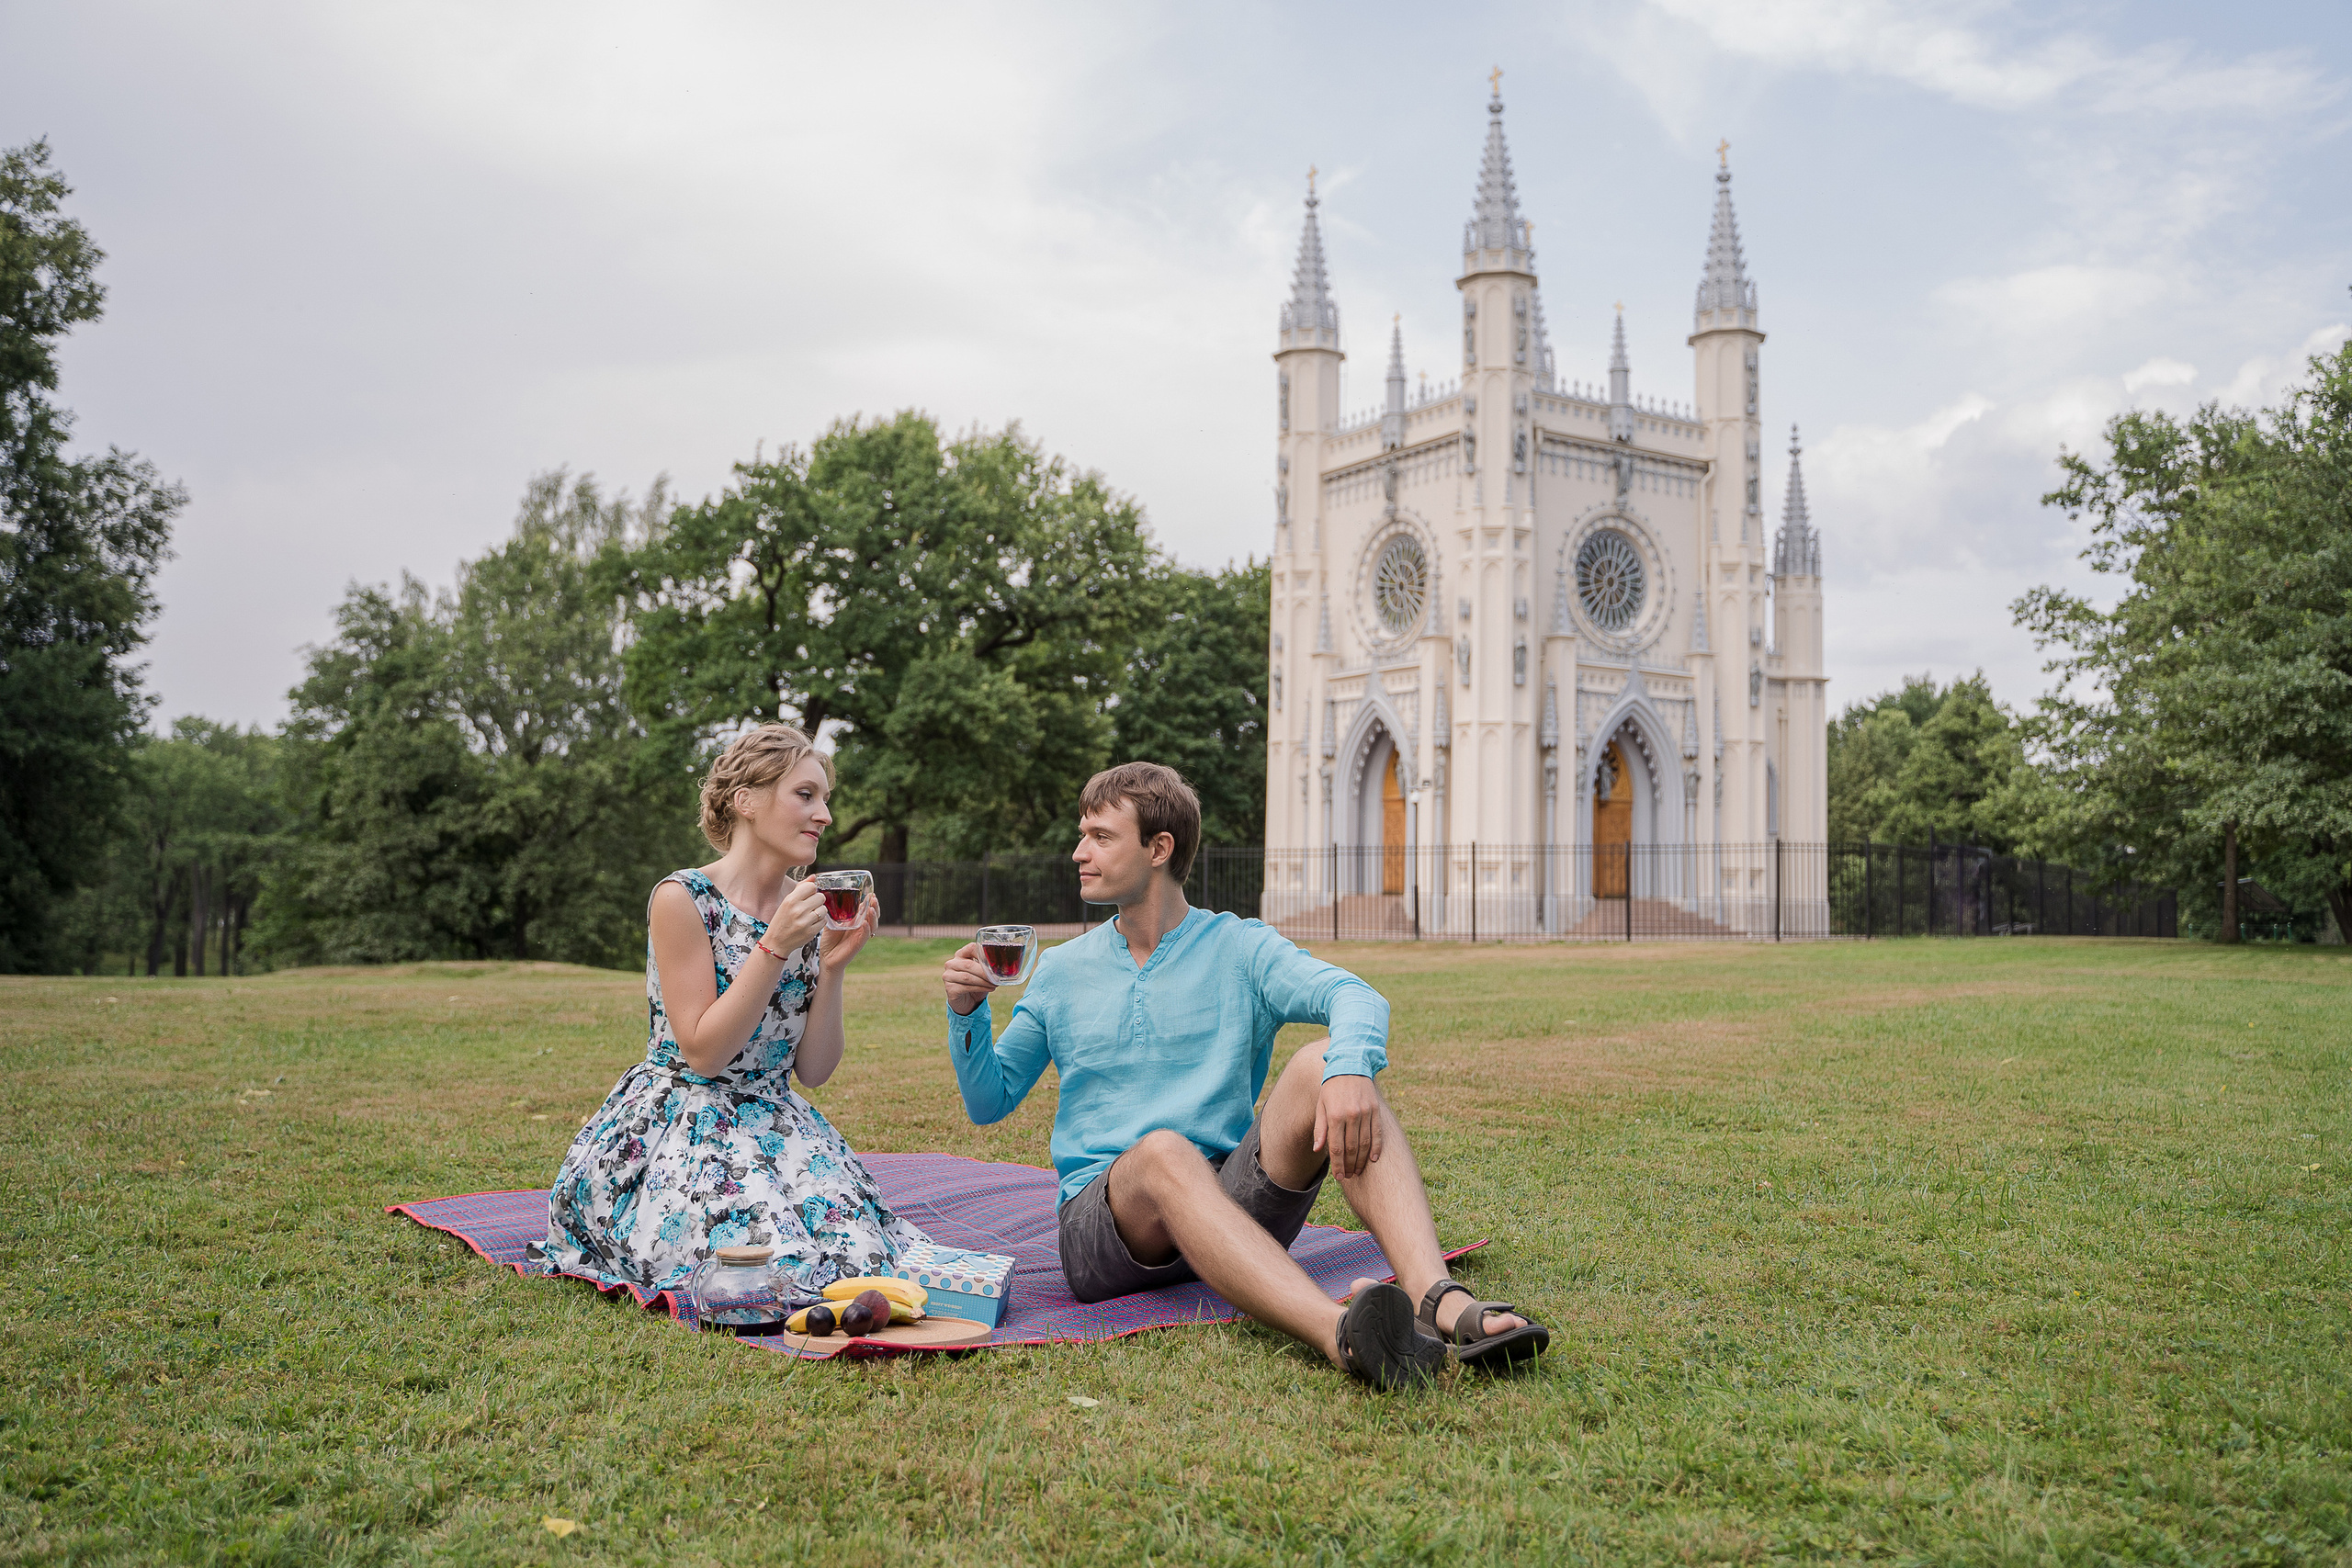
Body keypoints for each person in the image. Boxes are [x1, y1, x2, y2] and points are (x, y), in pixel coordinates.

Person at [940, 761, 1549, 1387]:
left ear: (1159, 847)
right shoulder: (1063, 970)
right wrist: (968, 1013)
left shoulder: (1239, 948)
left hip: (1231, 1207)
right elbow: (990, 1098)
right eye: (1082, 834)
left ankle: (1437, 1298)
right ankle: (1341, 1334)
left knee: (1320, 1062)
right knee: (1162, 1151)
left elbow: (1353, 994)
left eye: (1099, 835)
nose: (1079, 852)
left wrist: (1347, 1068)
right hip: (1108, 1233)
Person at [542, 724, 929, 1295]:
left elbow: (814, 1071)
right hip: (685, 1121)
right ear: (745, 800)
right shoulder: (683, 899)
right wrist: (774, 946)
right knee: (772, 1271)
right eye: (806, 795)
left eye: (825, 799)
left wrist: (833, 968)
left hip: (775, 1117)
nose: (824, 815)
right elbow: (702, 1052)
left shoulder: (804, 908)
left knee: (860, 1257)